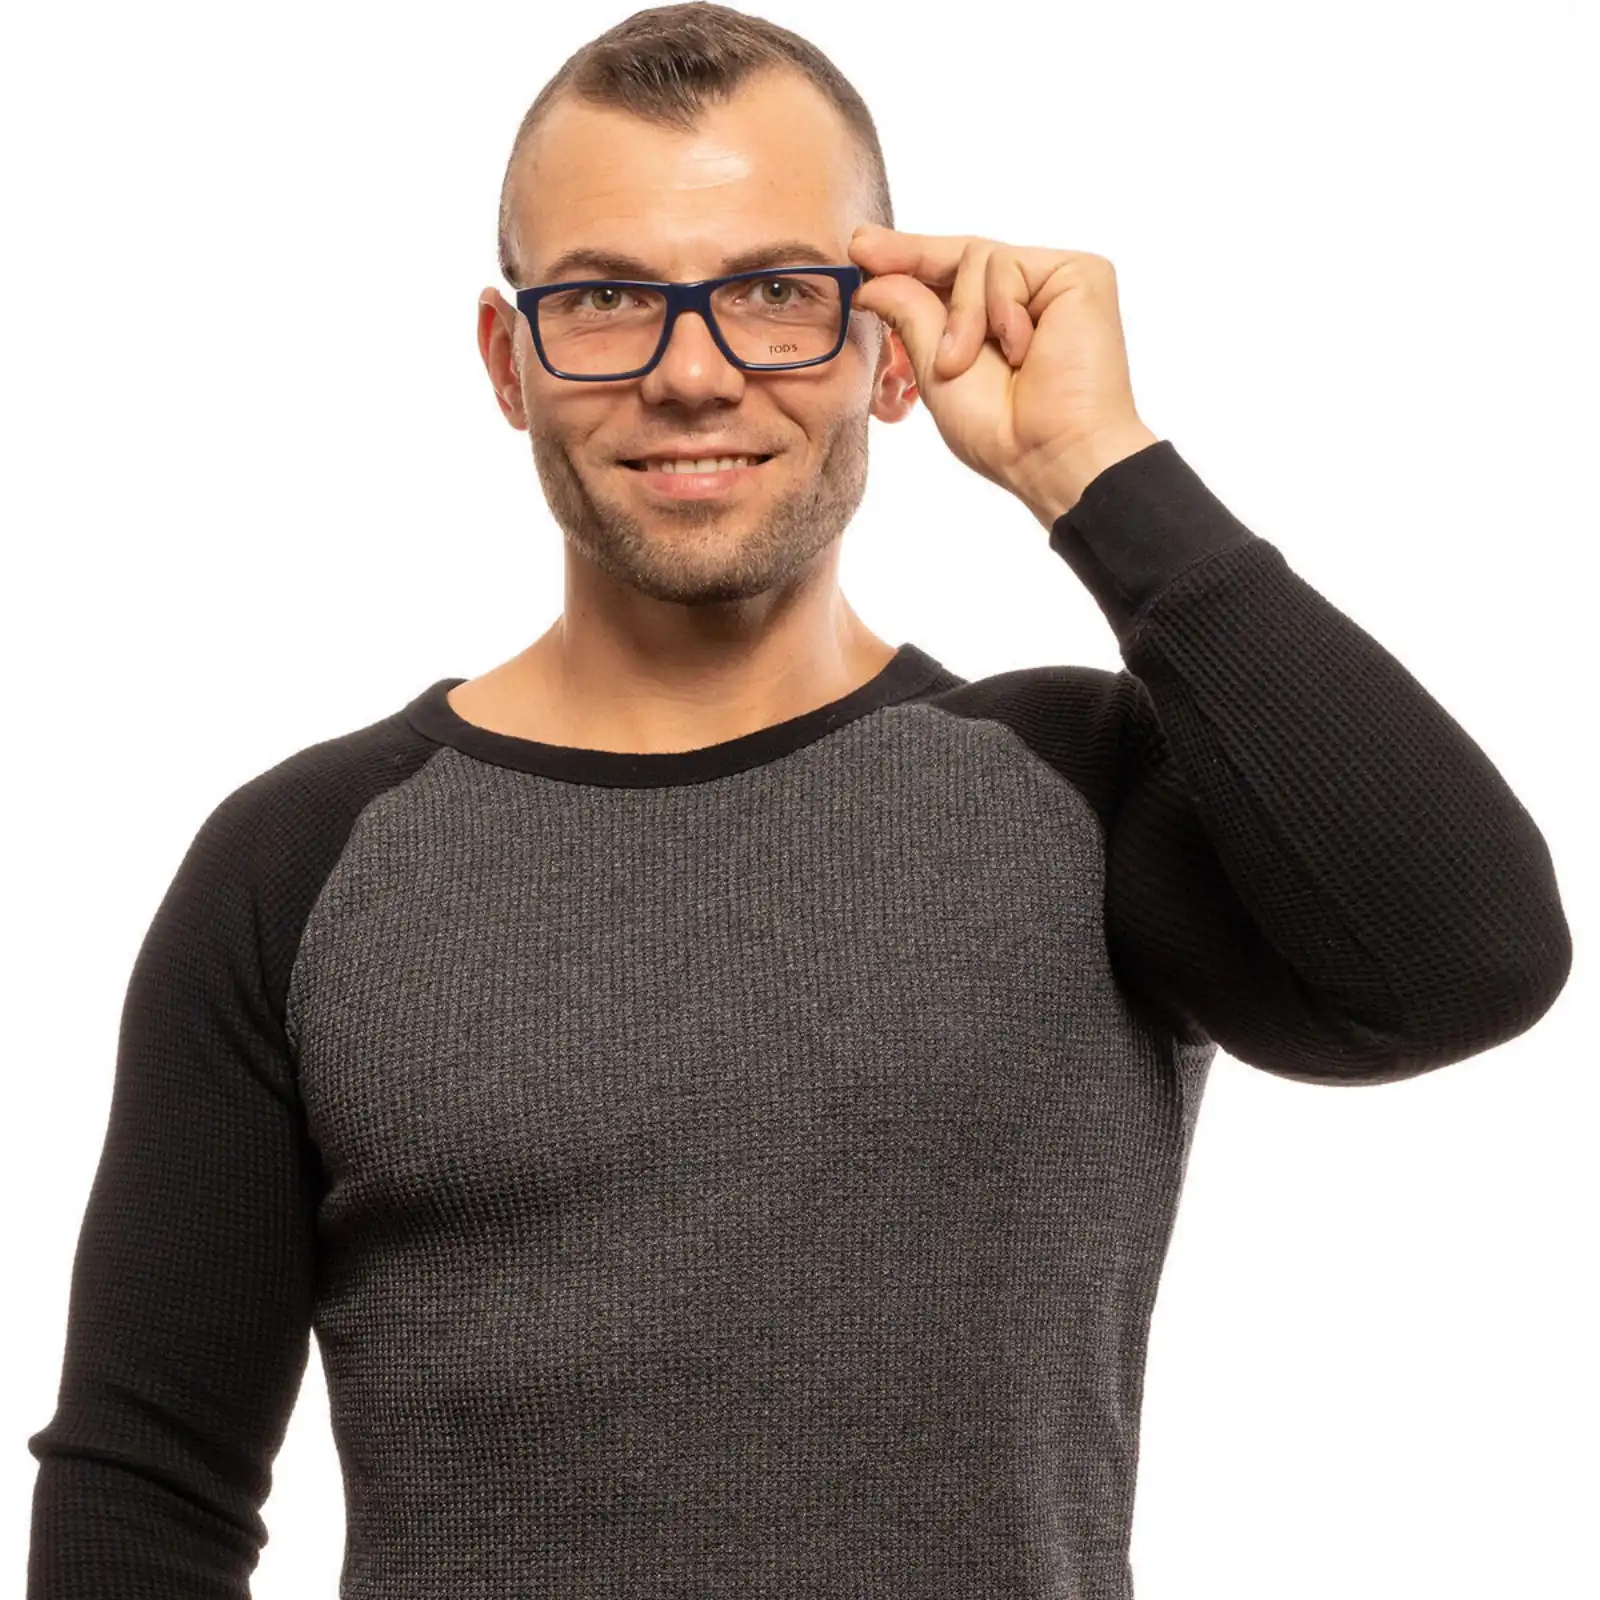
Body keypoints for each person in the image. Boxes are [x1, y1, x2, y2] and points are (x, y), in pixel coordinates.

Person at [24, 4, 1572, 1597]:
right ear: (507, 361)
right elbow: (145, 1492)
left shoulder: (1086, 789)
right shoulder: (301, 862)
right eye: (606, 299)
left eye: (775, 293)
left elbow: (1469, 961)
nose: (693, 376)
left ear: (887, 347)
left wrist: (1097, 471)